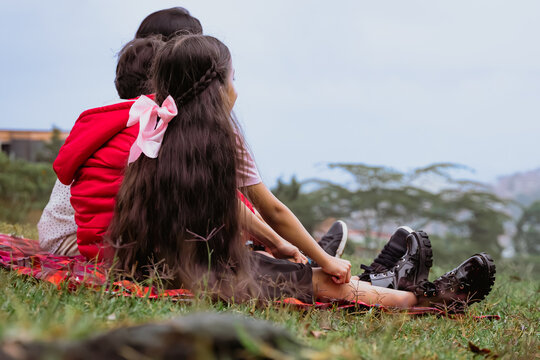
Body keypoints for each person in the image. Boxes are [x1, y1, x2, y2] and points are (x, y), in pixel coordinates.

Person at [107, 34, 495, 309]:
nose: (235, 89)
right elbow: (273, 210)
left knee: (288, 266)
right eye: (232, 79)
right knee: (326, 283)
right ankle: (431, 299)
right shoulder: (222, 142)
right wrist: (323, 262)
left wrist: (281, 246)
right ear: (216, 89)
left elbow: (223, 207)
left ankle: (383, 278)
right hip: (212, 276)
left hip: (156, 268)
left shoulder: (153, 129)